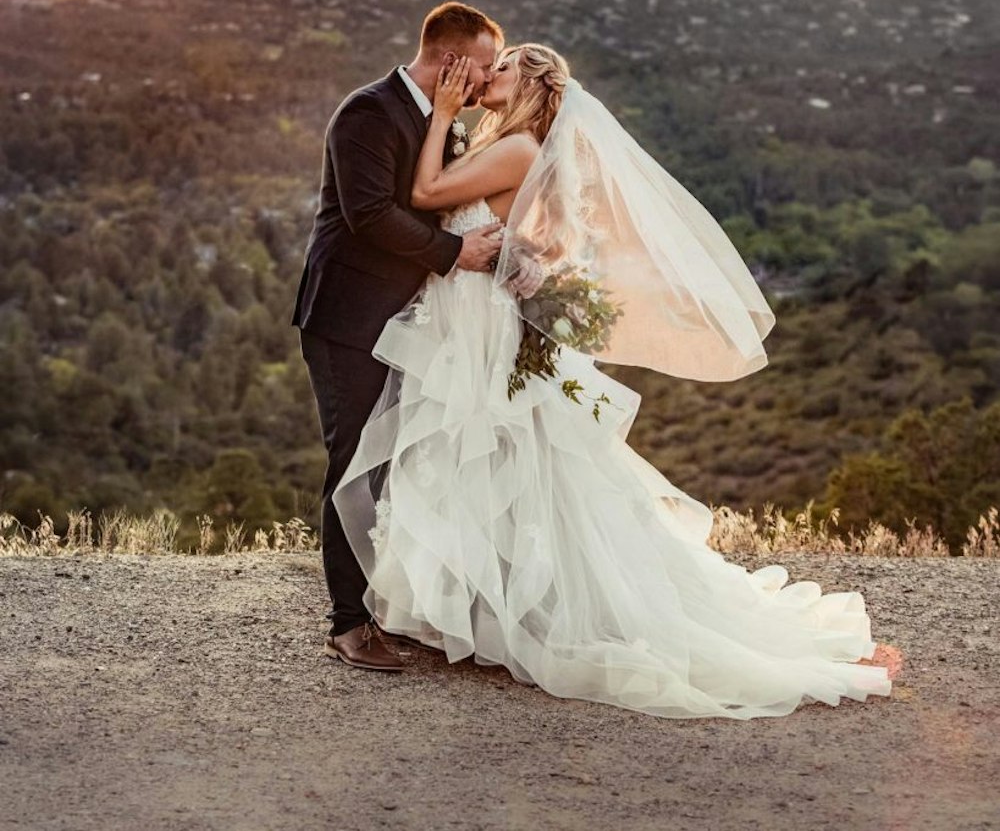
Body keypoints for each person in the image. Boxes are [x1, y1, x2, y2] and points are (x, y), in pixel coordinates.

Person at [332, 43, 894, 719]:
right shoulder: (519, 148)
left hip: (479, 328)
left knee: (501, 456)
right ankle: (488, 609)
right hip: (473, 323)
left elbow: (425, 194)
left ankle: (519, 613)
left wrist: (443, 111)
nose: (489, 74)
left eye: (503, 67)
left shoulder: (514, 151)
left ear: (533, 87)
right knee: (495, 460)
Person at [292, 2, 507, 671]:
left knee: (391, 465)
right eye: (483, 68)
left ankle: (388, 607)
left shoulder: (441, 122)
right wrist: (453, 253)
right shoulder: (369, 112)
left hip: (406, 323)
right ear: (452, 61)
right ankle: (348, 625)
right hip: (349, 316)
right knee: (353, 463)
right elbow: (368, 215)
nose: (486, 83)